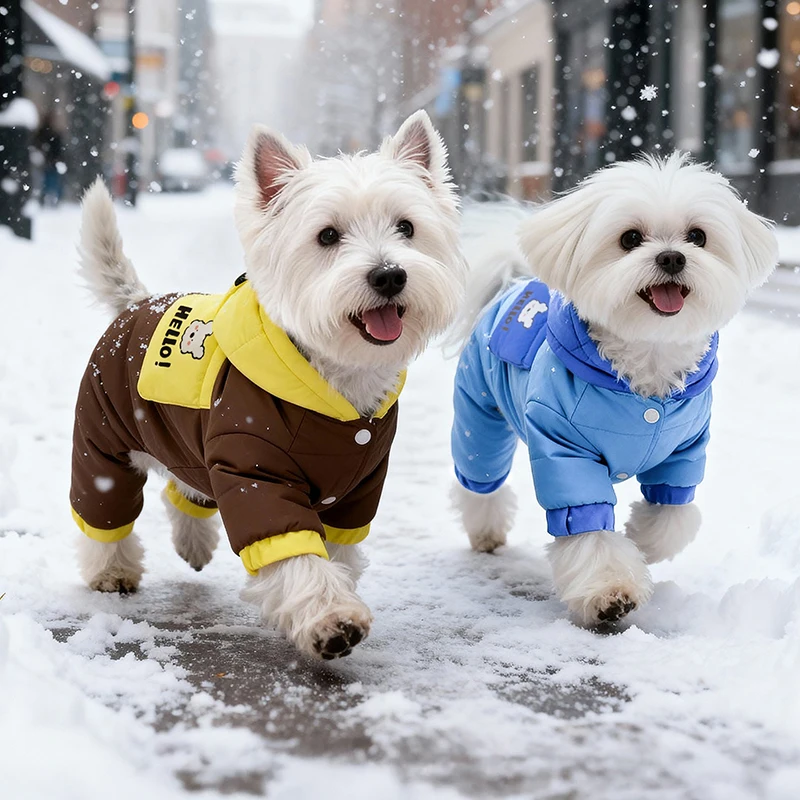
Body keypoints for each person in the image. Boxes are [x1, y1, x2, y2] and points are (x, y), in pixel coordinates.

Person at [34, 111, 65, 207]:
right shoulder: (52, 134)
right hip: (49, 161)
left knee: (48, 181)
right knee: (50, 181)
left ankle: (47, 199)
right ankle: (51, 199)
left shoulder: (44, 133)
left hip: (48, 161)